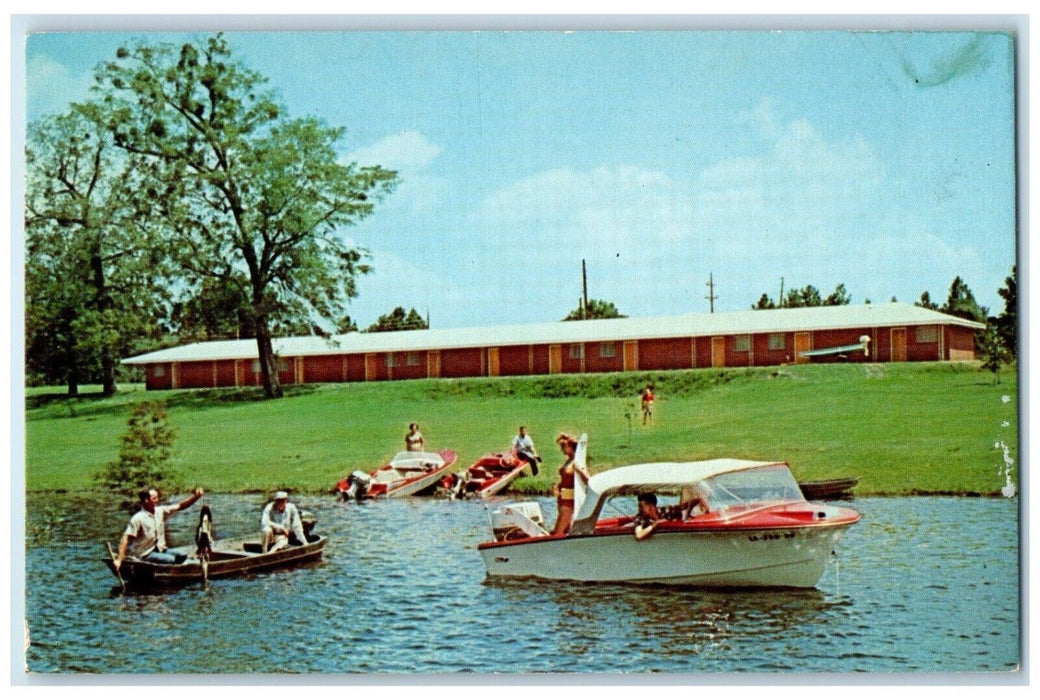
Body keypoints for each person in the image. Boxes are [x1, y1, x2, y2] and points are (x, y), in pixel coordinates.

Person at [114, 486, 205, 571]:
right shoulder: (137, 518)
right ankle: (163, 572)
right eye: (154, 499)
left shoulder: (160, 511)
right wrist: (119, 560)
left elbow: (180, 506)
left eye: (157, 498)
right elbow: (125, 539)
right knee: (170, 559)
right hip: (145, 555)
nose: (157, 501)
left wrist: (196, 497)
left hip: (161, 550)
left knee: (182, 555)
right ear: (146, 500)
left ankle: (171, 572)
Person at [550, 433, 579, 536]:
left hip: (569, 502)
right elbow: (566, 478)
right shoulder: (569, 460)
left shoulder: (577, 462)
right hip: (562, 499)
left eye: (563, 446)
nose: (561, 449)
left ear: (570, 447)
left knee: (558, 532)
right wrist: (557, 485)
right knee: (564, 530)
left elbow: (584, 480)